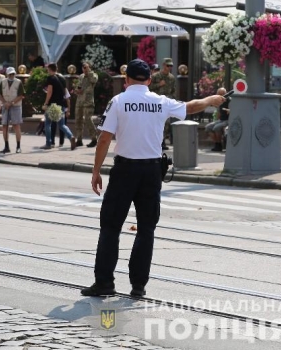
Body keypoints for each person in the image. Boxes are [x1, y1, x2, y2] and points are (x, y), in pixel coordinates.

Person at [80, 59, 226, 297]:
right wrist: (212, 100)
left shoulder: (118, 101)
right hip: (151, 172)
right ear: (148, 80)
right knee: (146, 229)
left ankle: (105, 283)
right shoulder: (160, 102)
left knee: (110, 227)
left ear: (126, 81)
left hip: (124, 170)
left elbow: (105, 138)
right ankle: (138, 286)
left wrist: (96, 170)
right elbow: (191, 107)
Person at [40, 63, 76, 150]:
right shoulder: (62, 78)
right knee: (62, 125)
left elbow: (50, 91)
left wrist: (46, 103)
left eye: (48, 69)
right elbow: (64, 91)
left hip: (52, 104)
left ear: (50, 69)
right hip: (61, 104)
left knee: (48, 123)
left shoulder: (50, 78)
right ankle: (71, 136)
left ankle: (48, 143)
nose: (47, 71)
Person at [150, 58, 176, 150]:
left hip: (167, 102)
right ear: (163, 65)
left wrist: (173, 101)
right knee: (156, 122)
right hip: (156, 102)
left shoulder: (171, 78)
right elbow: (148, 88)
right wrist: (159, 85)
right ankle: (156, 141)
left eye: (170, 66)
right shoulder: (155, 76)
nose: (169, 68)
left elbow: (173, 91)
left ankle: (163, 141)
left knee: (167, 122)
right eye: (167, 66)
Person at [0, 67, 25, 154]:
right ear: (7, 74)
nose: (11, 75)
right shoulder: (3, 82)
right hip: (5, 106)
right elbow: (0, 94)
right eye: (10, 74)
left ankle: (18, 146)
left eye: (13, 74)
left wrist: (12, 103)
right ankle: (6, 146)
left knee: (16, 125)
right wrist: (5, 103)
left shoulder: (18, 82)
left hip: (15, 106)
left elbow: (21, 95)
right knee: (4, 126)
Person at [74, 61, 99, 148]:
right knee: (78, 120)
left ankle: (94, 139)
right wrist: (77, 90)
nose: (84, 69)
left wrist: (88, 72)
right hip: (80, 101)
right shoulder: (81, 76)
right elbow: (78, 86)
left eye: (86, 67)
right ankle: (79, 139)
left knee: (88, 119)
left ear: (89, 67)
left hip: (88, 101)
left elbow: (94, 80)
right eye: (83, 67)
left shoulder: (93, 75)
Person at [205, 88, 230, 152]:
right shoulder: (219, 101)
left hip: (228, 120)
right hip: (221, 120)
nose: (221, 95)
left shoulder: (229, 101)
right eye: (219, 94)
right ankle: (217, 144)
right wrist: (216, 121)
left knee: (216, 127)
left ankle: (219, 146)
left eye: (223, 94)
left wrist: (229, 111)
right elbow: (218, 112)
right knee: (208, 127)